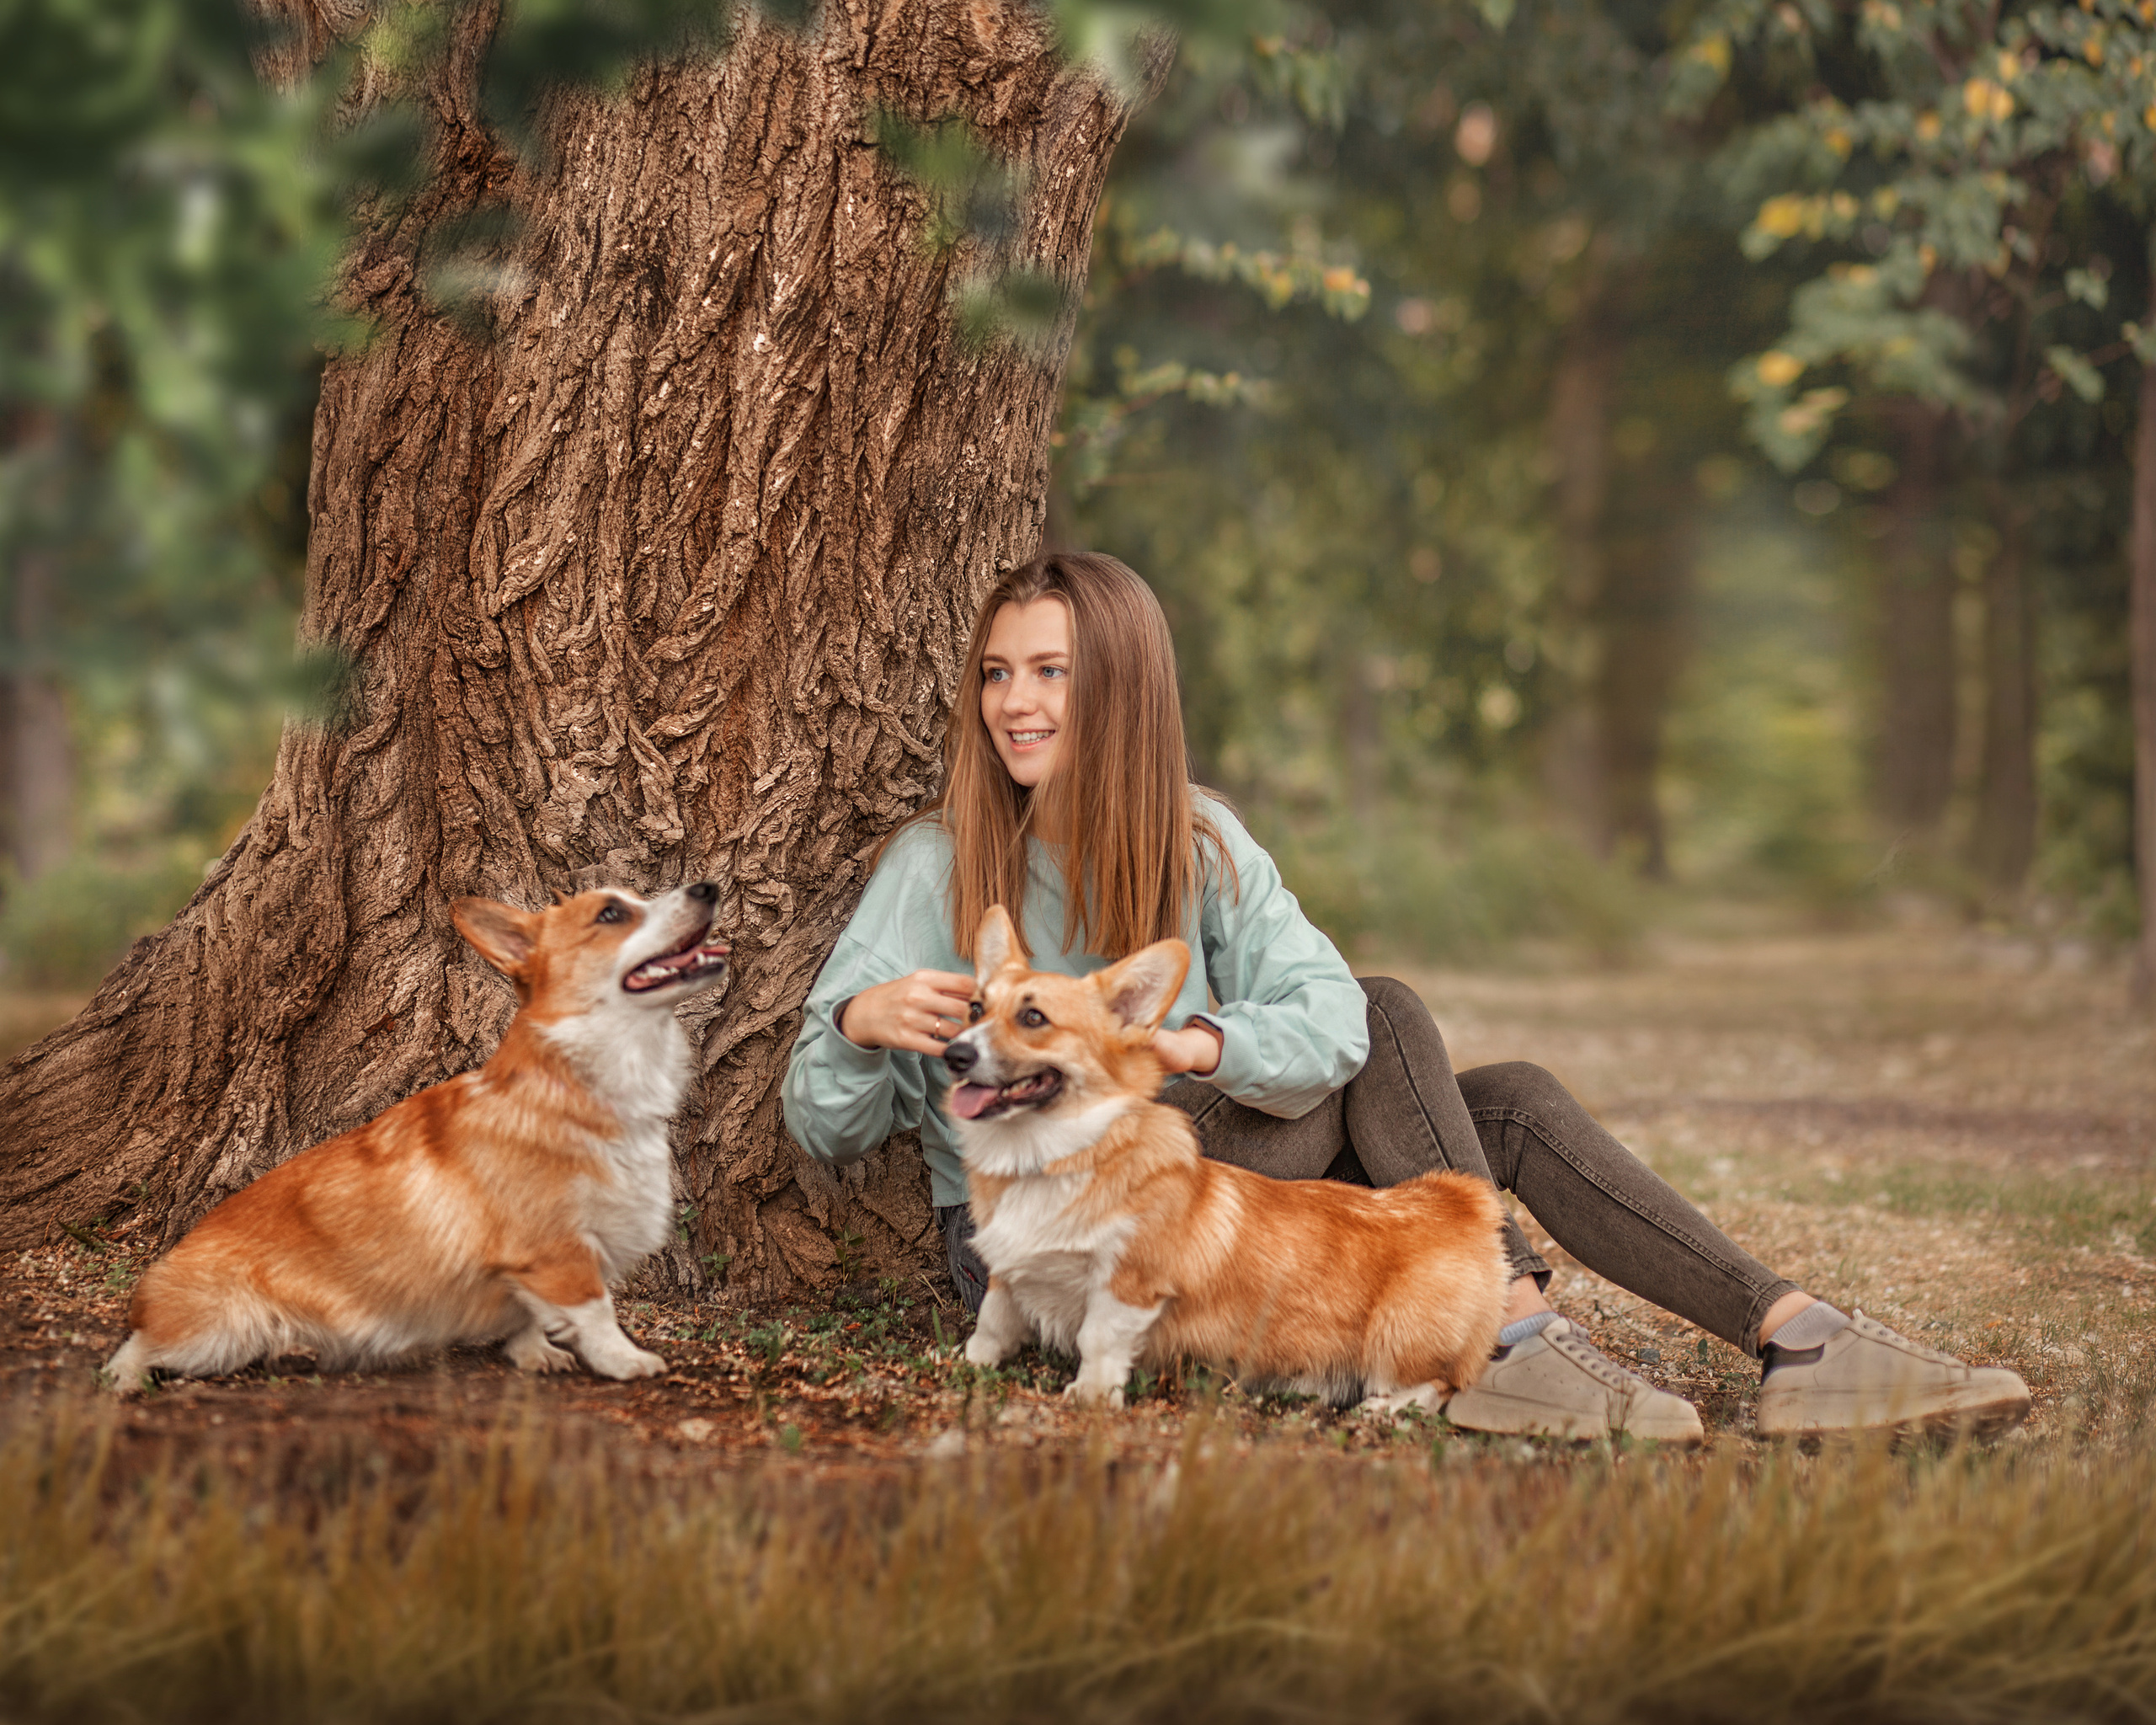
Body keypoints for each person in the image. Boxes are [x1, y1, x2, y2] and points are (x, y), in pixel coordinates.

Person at [782, 552, 2031, 1442]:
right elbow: (821, 1128)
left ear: (1121, 686)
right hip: (1060, 1242)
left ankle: (1792, 1331)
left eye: (1051, 671)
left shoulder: (1197, 841)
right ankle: (1515, 1327)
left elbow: (1321, 1014)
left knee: (1498, 1092)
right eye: (998, 673)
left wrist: (1191, 1043)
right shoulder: (937, 866)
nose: (1015, 703)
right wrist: (857, 1026)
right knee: (1388, 1022)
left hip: (1226, 1190)